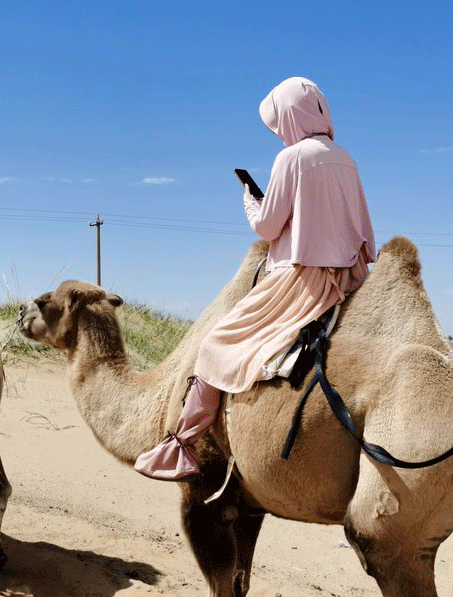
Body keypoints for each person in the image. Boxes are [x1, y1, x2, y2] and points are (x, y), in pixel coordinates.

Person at [135, 76, 376, 480]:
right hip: (352, 272)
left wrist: (251, 202)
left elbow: (267, 227)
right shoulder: (345, 157)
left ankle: (182, 446)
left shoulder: (292, 158)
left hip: (301, 279)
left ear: (289, 118)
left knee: (216, 344)